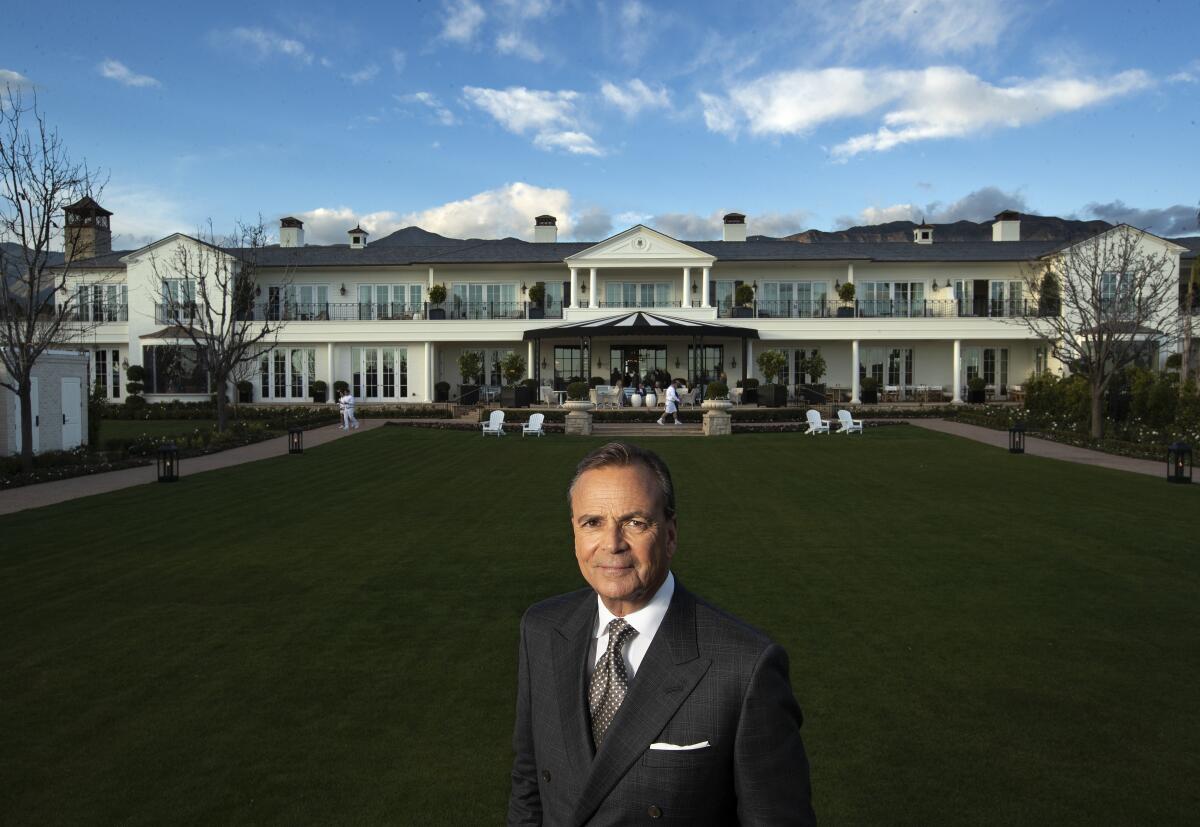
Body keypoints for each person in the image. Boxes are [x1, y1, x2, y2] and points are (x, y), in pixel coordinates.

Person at [508, 443, 815, 826]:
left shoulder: (744, 668)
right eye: (592, 523)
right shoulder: (542, 629)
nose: (612, 544)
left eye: (635, 522)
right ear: (574, 534)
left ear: (670, 535)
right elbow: (529, 783)